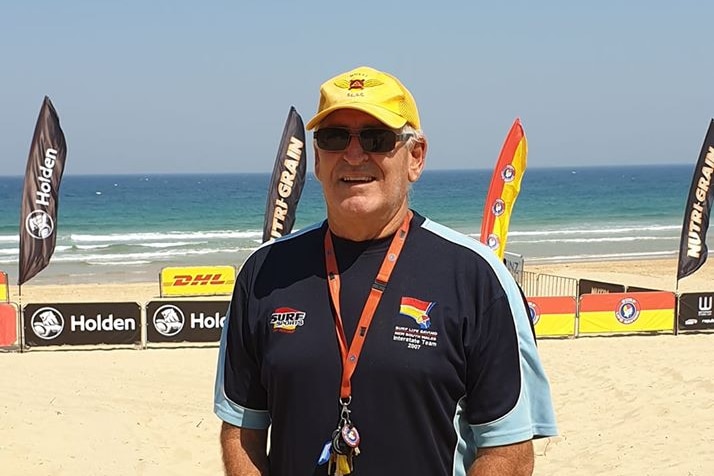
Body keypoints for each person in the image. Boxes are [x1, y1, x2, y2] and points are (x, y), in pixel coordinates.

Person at [214, 65, 558, 476]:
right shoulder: (263, 273)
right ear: (318, 160)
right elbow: (241, 432)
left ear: (415, 157)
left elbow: (508, 453)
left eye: (377, 139)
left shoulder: (477, 278)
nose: (354, 155)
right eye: (334, 137)